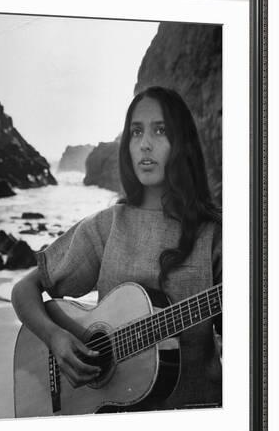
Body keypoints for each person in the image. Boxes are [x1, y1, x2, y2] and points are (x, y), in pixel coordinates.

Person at [11, 86, 222, 411]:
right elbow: (25, 288)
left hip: (194, 420)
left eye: (160, 130)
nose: (145, 144)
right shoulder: (108, 226)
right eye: (136, 131)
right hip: (111, 425)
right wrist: (54, 336)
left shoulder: (214, 235)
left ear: (183, 143)